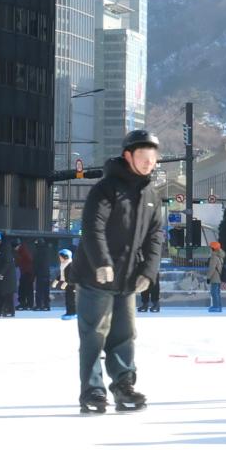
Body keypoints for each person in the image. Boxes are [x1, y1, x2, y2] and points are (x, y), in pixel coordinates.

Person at [69, 129, 163, 414]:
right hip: (95, 276)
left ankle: (124, 386)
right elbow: (93, 227)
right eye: (143, 157)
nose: (149, 163)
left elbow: (156, 235)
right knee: (94, 334)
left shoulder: (150, 194)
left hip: (128, 278)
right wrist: (102, 262)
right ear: (128, 156)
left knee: (124, 334)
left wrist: (148, 270)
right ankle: (92, 391)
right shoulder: (106, 188)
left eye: (153, 158)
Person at [0, 232, 17, 317]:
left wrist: (1, 273)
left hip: (7, 276)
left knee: (8, 294)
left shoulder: (5, 248)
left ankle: (10, 311)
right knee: (0, 293)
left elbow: (7, 262)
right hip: (1, 276)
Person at [52, 249, 76, 319]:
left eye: (61, 257)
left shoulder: (70, 265)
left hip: (72, 286)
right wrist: (56, 281)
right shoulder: (64, 265)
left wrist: (65, 284)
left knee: (71, 300)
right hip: (68, 286)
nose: (60, 259)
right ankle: (69, 312)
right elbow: (62, 275)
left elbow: (70, 277)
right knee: (68, 299)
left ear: (66, 257)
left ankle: (73, 313)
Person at [14, 239, 35, 311]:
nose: (15, 249)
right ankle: (24, 303)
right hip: (25, 272)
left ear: (18, 246)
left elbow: (29, 261)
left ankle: (28, 304)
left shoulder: (23, 251)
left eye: (15, 247)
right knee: (23, 289)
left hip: (27, 273)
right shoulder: (21, 251)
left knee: (26, 289)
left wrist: (26, 270)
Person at [206, 241, 225, 313]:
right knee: (217, 293)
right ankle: (218, 306)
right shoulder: (220, 256)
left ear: (213, 248)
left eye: (210, 248)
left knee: (214, 293)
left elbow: (212, 268)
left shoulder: (214, 257)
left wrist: (208, 277)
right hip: (219, 277)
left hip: (215, 278)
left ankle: (216, 307)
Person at [33, 240, 51, 311]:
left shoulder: (38, 252)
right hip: (47, 273)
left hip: (40, 273)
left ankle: (39, 305)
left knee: (39, 290)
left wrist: (34, 273)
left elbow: (36, 264)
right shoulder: (47, 251)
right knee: (46, 290)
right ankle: (47, 305)